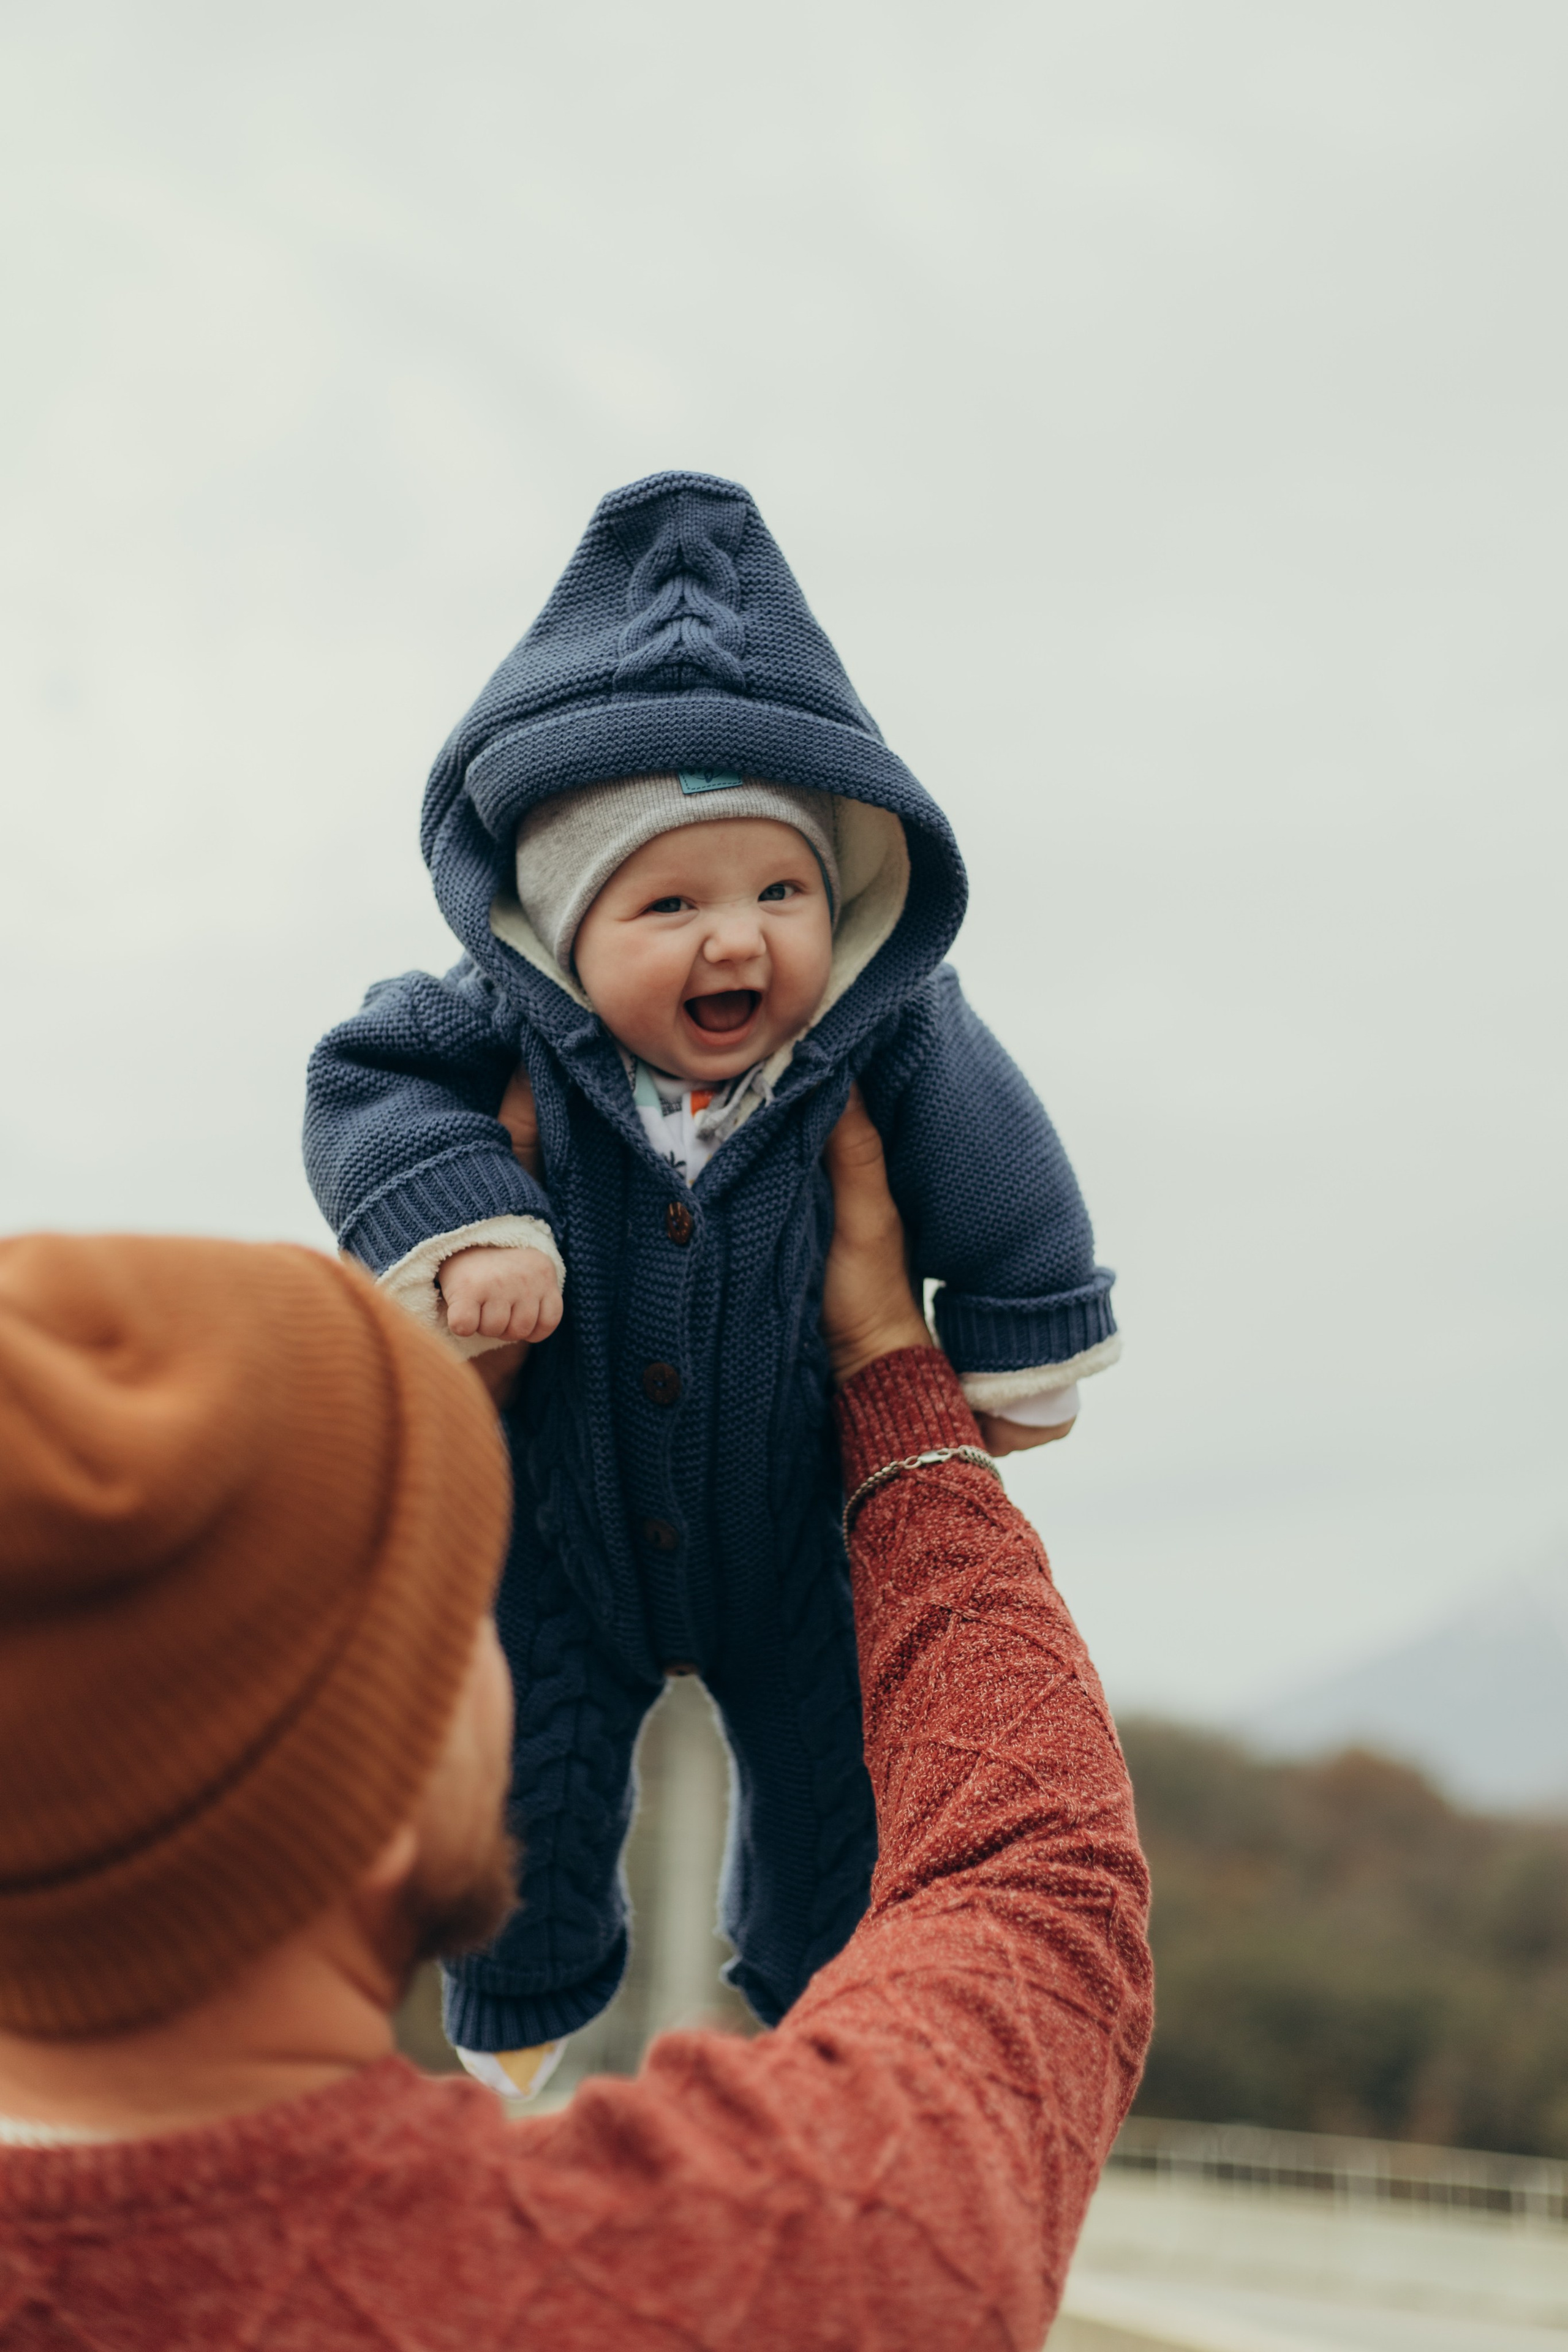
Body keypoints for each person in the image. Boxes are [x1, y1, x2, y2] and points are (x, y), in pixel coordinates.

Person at [0, 1094, 1151, 2350]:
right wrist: (887, 1370)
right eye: (459, 1619)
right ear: (377, 1782)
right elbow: (1035, 1875)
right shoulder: (774, 2258)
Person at [303, 467, 1123, 2086]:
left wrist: (1025, 1336)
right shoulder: (491, 1029)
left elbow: (997, 1162)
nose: (735, 940)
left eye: (780, 892)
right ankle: (520, 2022)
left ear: (850, 897)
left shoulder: (883, 1037)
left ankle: (813, 2017)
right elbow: (362, 1090)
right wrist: (472, 1221)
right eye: (667, 901)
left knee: (842, 1773)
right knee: (526, 1779)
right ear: (550, 932)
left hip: (787, 1513)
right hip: (564, 1509)